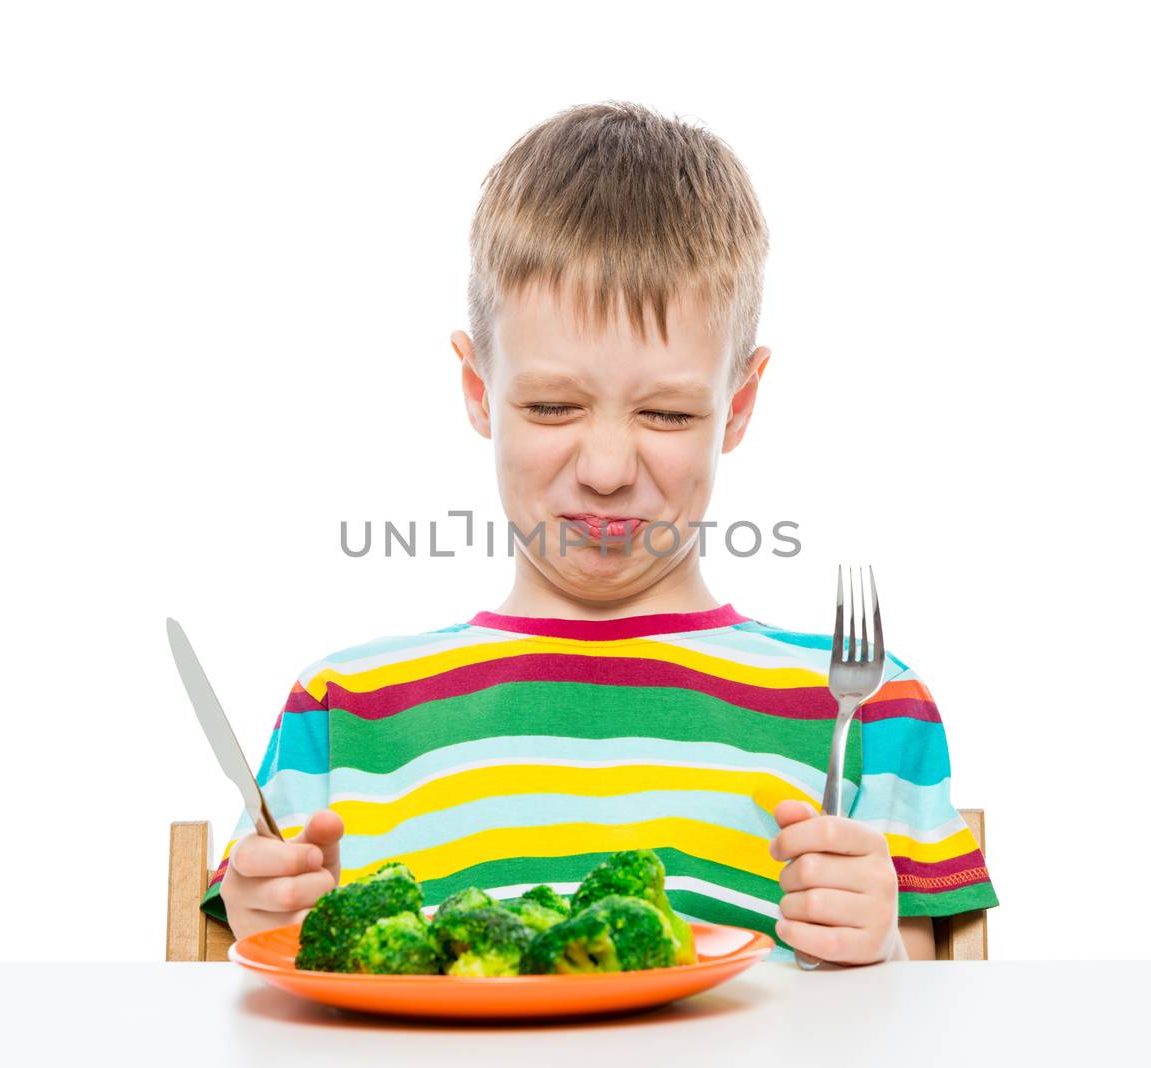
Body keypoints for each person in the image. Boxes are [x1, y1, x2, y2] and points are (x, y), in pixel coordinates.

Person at [201, 101, 997, 966]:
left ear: (737, 405)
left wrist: (881, 946)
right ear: (477, 391)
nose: (609, 467)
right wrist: (266, 915)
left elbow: (926, 1018)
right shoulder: (342, 712)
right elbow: (259, 993)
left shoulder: (868, 708)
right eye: (552, 406)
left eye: (665, 411)